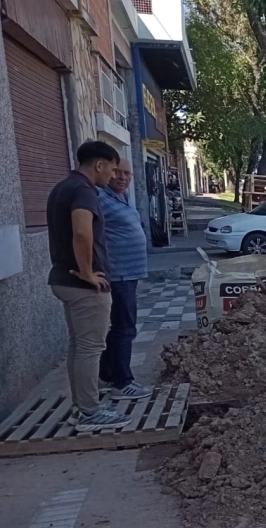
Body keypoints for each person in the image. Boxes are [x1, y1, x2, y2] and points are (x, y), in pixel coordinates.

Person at [46, 140, 131, 432]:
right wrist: (87, 273)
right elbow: (82, 231)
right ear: (99, 164)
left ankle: (82, 406)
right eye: (112, 169)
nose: (112, 176)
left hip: (63, 280)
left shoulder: (63, 187)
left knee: (79, 347)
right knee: (91, 348)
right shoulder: (84, 190)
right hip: (82, 287)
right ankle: (89, 412)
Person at [98, 159, 152, 400]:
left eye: (127, 173)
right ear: (107, 171)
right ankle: (122, 383)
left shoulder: (121, 198)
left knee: (121, 326)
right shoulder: (99, 197)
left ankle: (108, 372)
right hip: (118, 275)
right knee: (124, 327)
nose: (122, 177)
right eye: (117, 172)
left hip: (128, 274)